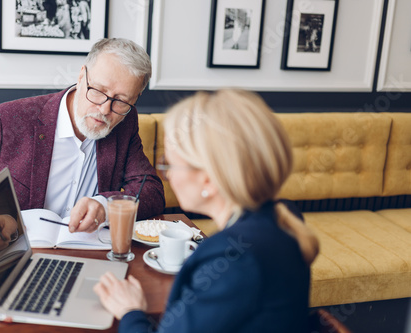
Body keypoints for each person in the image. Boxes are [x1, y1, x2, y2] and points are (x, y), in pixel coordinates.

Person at [0, 37, 165, 333]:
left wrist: (104, 205)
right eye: (98, 92)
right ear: (81, 76)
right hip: (7, 254)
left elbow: (150, 189)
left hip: (89, 254)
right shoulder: (10, 119)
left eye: (121, 101)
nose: (105, 110)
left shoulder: (125, 123)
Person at [93, 89, 319, 332]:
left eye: (170, 164)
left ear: (209, 180)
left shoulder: (234, 259)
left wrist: (130, 312)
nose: (167, 177)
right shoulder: (282, 217)